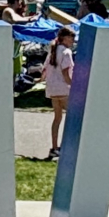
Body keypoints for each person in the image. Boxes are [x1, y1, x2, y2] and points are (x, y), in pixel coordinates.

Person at [42, 26, 77, 160]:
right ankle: (68, 146)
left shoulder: (53, 51)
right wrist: (74, 86)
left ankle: (54, 147)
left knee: (57, 118)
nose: (73, 41)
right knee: (74, 118)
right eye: (72, 38)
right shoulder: (66, 52)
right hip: (63, 89)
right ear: (65, 38)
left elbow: (45, 70)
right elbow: (65, 73)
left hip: (52, 89)